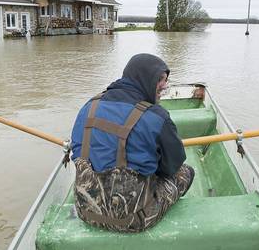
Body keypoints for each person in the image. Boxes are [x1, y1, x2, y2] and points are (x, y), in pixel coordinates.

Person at [70, 53, 195, 232]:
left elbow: (77, 155)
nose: (165, 85)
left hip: (86, 211)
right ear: (147, 79)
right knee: (185, 172)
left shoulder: (88, 107)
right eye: (161, 79)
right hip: (132, 220)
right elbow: (172, 167)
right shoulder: (157, 117)